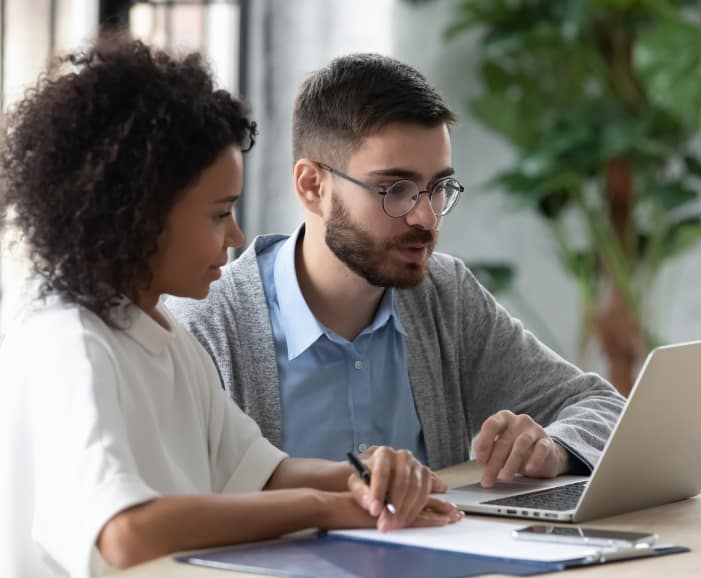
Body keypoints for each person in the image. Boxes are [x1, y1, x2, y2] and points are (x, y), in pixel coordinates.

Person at [0, 39, 461, 578]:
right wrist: (325, 509)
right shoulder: (71, 344)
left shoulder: (157, 330)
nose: (237, 235)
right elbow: (125, 533)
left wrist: (371, 475)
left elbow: (263, 472)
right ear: (139, 215)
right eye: (219, 215)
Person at [168, 53, 625, 488]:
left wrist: (554, 448)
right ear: (312, 187)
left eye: (438, 187)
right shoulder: (207, 326)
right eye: (395, 189)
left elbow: (603, 406)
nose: (425, 217)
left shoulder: (445, 297)